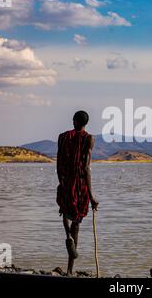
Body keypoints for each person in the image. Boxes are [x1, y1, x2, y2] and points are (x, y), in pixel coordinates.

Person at [56, 110, 99, 276]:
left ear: (73, 120)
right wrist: (92, 196)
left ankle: (68, 236)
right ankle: (69, 270)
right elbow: (86, 168)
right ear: (86, 123)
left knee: (65, 214)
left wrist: (62, 182)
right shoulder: (89, 138)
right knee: (77, 224)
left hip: (66, 183)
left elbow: (59, 162)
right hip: (80, 186)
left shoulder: (62, 137)